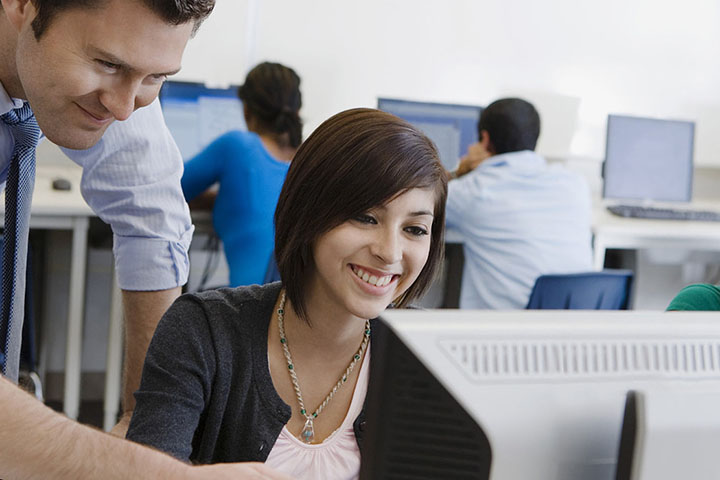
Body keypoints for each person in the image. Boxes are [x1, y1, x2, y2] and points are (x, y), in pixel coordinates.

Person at [0, 0, 289, 478]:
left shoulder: (121, 84)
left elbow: (152, 217)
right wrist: (146, 471)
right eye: (107, 64)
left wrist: (148, 433)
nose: (123, 107)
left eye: (156, 78)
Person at [126, 108, 448, 479]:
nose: (389, 253)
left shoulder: (429, 356)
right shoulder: (202, 332)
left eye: (415, 229)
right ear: (309, 212)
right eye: (366, 218)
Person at [445, 97, 593, 309]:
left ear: (484, 139)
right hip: (573, 326)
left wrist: (461, 170)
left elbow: (421, 205)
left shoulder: (473, 191)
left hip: (504, 333)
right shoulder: (575, 184)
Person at [182, 61, 302, 287]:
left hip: (254, 309)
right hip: (300, 310)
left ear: (246, 109)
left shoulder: (238, 145)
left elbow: (170, 188)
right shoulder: (311, 160)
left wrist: (214, 201)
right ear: (298, 111)